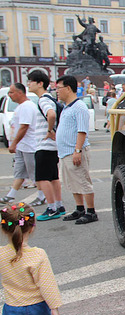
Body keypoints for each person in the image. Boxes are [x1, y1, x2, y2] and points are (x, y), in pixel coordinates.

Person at [0, 202, 61, 315]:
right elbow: (46, 283)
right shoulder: (37, 255)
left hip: (13, 308)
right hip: (37, 307)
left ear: (4, 229)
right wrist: (54, 306)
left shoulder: (2, 254)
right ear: (32, 227)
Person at [55, 75, 98, 224]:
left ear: (68, 88)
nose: (57, 91)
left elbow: (82, 131)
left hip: (75, 151)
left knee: (82, 180)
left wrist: (77, 151)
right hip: (65, 152)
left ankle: (91, 212)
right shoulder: (67, 107)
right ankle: (80, 208)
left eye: (59, 88)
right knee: (73, 182)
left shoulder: (79, 107)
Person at [27, 70, 66, 221]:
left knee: (43, 178)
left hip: (44, 145)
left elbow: (51, 115)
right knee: (53, 177)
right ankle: (59, 205)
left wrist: (49, 130)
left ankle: (51, 208)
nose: (28, 84)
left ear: (39, 83)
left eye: (30, 81)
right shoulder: (49, 98)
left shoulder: (43, 100)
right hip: (52, 146)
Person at [0, 83, 46, 206]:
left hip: (29, 146)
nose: (9, 95)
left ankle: (42, 196)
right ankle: (11, 195)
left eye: (11, 92)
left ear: (20, 93)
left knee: (34, 173)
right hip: (22, 146)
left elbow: (24, 127)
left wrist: (14, 143)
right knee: (19, 171)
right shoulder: (21, 106)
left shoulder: (27, 106)